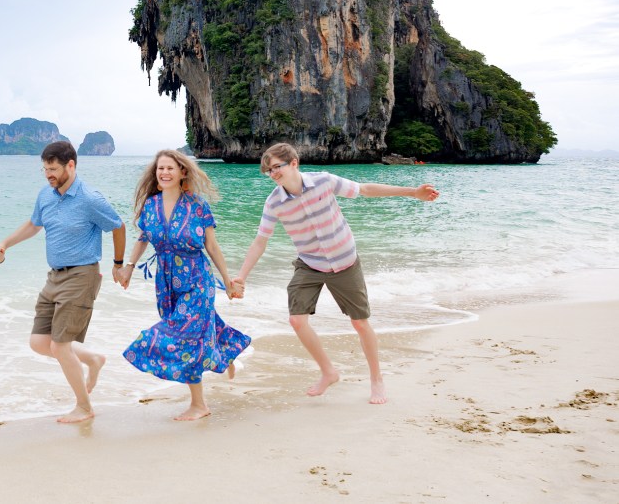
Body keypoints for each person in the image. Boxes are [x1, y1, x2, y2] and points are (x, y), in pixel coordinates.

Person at [233, 142, 440, 405]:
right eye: (268, 171)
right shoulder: (274, 203)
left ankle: (377, 379)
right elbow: (260, 241)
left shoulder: (323, 182)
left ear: (294, 163)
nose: (273, 173)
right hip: (309, 264)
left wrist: (412, 192)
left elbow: (364, 189)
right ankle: (328, 372)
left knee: (360, 323)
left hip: (345, 261)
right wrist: (241, 276)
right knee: (297, 320)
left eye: (277, 167)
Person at [0, 141, 126, 423]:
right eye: (45, 169)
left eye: (52, 169)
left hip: (82, 275)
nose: (48, 174)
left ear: (70, 166)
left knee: (60, 346)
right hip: (55, 276)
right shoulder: (46, 195)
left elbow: (118, 226)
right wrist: (5, 243)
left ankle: (84, 407)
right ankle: (92, 359)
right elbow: (34, 224)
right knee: (39, 342)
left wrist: (119, 264)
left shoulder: (90, 198)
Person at [118, 149, 251, 421]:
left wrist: (227, 280)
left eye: (170, 168)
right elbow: (143, 238)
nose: (164, 172)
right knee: (196, 329)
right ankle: (224, 355)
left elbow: (211, 245)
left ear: (182, 173)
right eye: (160, 168)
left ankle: (199, 405)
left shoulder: (197, 205)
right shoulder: (151, 206)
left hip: (196, 279)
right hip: (165, 281)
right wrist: (128, 267)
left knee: (182, 336)